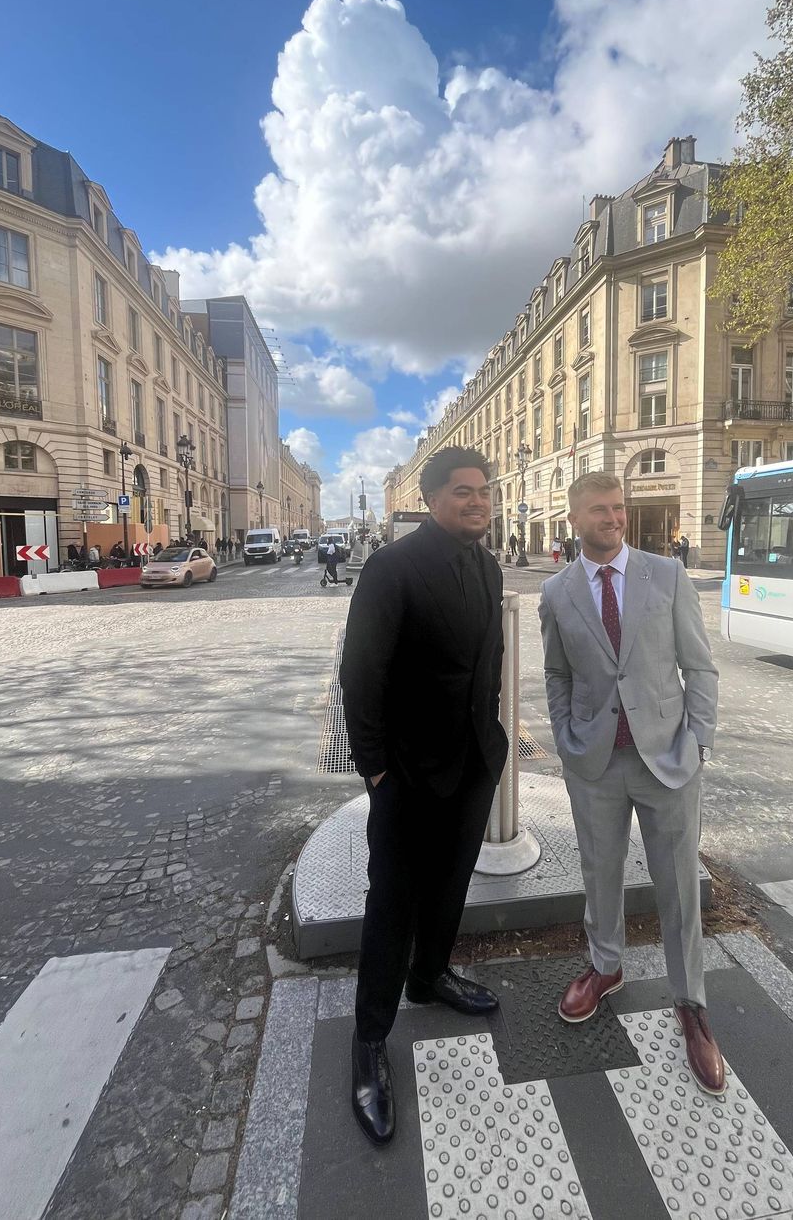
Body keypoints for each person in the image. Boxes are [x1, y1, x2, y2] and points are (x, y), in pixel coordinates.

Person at [340, 446, 508, 1146]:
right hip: (408, 778)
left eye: (484, 490)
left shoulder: (488, 564)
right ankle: (369, 1041)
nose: (478, 501)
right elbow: (361, 674)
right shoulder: (392, 568)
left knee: (449, 889)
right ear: (433, 496)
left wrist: (491, 747)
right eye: (463, 491)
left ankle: (431, 975)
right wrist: (377, 771)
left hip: (471, 766)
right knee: (393, 906)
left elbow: (483, 665)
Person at [538, 472, 724, 1097]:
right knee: (600, 872)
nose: (614, 518)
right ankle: (605, 966)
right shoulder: (557, 592)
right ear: (575, 519)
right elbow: (556, 674)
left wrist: (699, 741)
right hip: (595, 764)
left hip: (668, 758)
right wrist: (566, 737)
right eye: (600, 510)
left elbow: (698, 665)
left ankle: (691, 1003)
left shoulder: (666, 575)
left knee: (678, 884)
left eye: (618, 508)